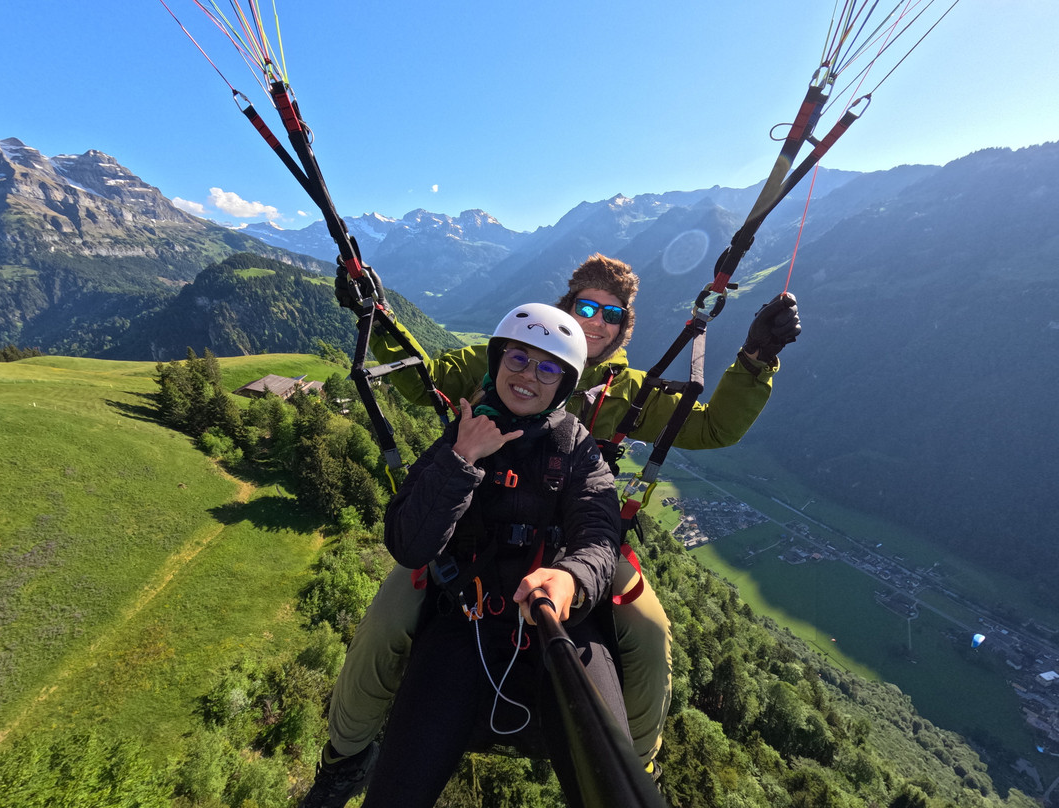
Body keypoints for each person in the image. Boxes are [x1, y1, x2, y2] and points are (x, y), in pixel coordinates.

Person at [301, 255, 800, 806]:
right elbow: (425, 383)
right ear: (566, 307)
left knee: (650, 634)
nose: (596, 320)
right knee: (384, 623)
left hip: (581, 537)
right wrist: (376, 315)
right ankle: (345, 758)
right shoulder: (504, 359)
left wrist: (756, 361)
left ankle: (637, 766)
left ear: (622, 328)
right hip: (470, 524)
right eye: (586, 305)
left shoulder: (628, 391)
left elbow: (712, 426)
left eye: (611, 314)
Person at [359, 303, 625, 807]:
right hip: (466, 621)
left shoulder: (576, 449)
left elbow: (598, 533)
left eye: (548, 369)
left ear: (564, 386)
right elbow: (408, 545)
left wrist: (571, 579)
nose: (528, 377)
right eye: (518, 359)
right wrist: (462, 460)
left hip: (559, 626)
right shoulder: (460, 435)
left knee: (610, 776)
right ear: (497, 361)